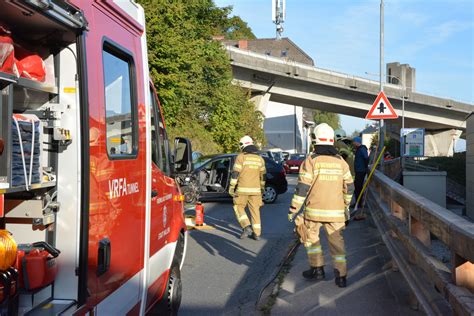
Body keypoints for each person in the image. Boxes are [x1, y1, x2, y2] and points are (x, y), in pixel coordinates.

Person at [288, 123, 354, 288]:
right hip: (336, 213)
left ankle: (317, 270)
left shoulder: (310, 161)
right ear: (332, 140)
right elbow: (350, 187)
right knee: (337, 243)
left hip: (314, 213)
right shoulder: (341, 162)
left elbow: (302, 189)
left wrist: (293, 210)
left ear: (314, 140)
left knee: (312, 241)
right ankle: (341, 276)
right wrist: (345, 206)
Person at [229, 136, 266, 241]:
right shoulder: (260, 159)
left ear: (243, 145)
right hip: (256, 191)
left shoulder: (241, 157)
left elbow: (235, 173)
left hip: (242, 189)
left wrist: (232, 187)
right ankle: (257, 234)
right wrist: (262, 188)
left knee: (238, 206)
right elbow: (263, 176)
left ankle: (246, 227)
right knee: (255, 211)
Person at [352, 136, 369, 208]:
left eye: (354, 142)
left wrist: (365, 167)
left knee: (358, 187)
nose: (353, 143)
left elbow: (366, 158)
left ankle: (359, 203)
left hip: (361, 171)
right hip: (359, 170)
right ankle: (357, 203)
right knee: (357, 187)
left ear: (356, 142)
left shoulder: (362, 149)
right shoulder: (359, 149)